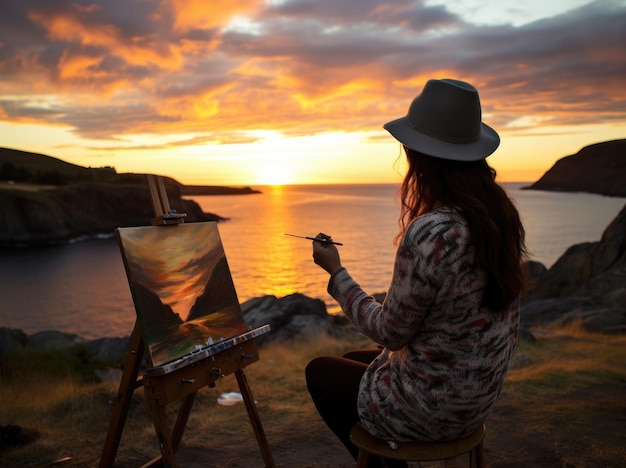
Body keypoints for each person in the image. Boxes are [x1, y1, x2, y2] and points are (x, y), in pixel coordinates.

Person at [305, 78, 526, 467]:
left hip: (436, 410)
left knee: (321, 372)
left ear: (421, 157)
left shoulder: (434, 231)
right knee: (356, 358)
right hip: (476, 396)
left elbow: (390, 332)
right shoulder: (499, 217)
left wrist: (337, 274)